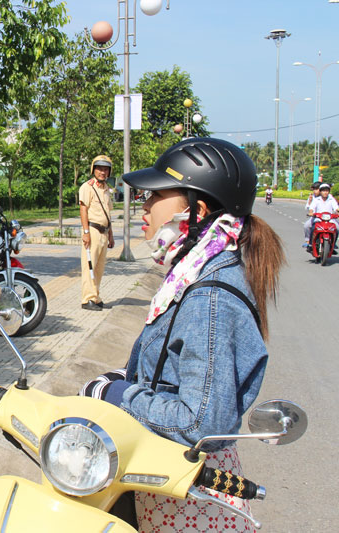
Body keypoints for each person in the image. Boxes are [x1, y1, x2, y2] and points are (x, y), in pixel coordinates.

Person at [80, 138, 284, 532]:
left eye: (155, 195)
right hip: (168, 484)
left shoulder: (209, 297)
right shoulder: (191, 273)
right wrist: (125, 378)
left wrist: (119, 395)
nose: (143, 206)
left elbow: (202, 425)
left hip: (190, 499)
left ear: (197, 209)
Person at [79, 155, 116, 311]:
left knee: (99, 268)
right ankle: (87, 299)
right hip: (92, 230)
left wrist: (111, 234)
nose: (102, 172)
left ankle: (96, 297)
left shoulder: (106, 189)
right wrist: (86, 232)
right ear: (93, 169)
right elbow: (83, 210)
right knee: (89, 266)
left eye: (105, 169)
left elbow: (108, 213)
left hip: (104, 232)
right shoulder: (87, 187)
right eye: (99, 169)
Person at [305, 182, 339, 250]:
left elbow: (336, 207)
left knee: (337, 228)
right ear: (320, 192)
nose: (325, 192)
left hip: (330, 219)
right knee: (311, 227)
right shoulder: (316, 200)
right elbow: (312, 207)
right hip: (318, 218)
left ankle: (333, 244)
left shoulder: (331, 199)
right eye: (323, 191)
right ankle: (310, 243)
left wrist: (337, 211)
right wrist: (311, 212)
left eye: (327, 191)